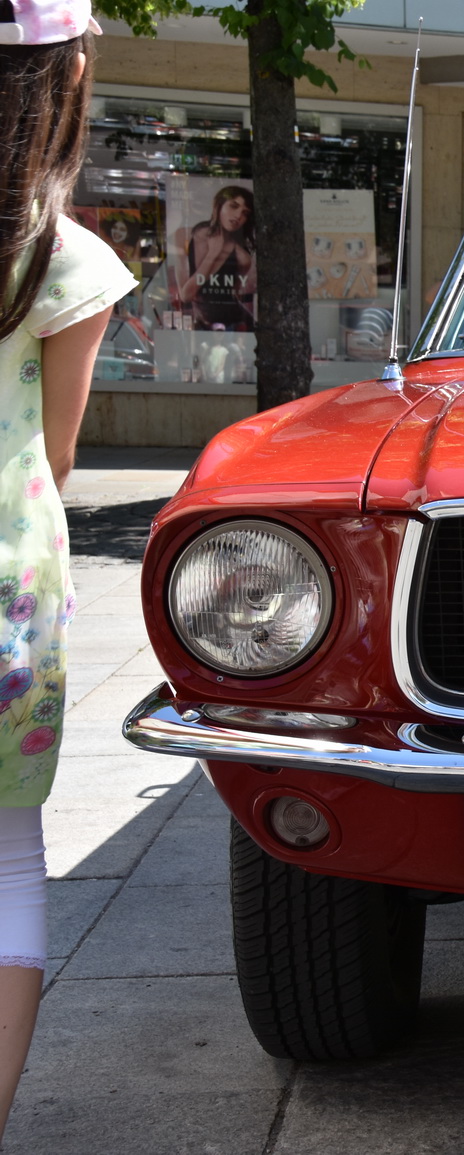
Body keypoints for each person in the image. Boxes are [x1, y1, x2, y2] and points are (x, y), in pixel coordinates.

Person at [0, 1, 136, 1140]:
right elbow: (56, 454)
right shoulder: (65, 259)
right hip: (5, 602)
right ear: (70, 77)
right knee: (5, 869)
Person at [174, 185, 255, 330]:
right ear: (219, 205)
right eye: (233, 206)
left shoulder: (241, 253)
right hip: (201, 325)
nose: (238, 216)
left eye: (245, 213)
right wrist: (212, 255)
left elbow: (237, 293)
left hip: (234, 325)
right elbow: (185, 294)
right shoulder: (191, 235)